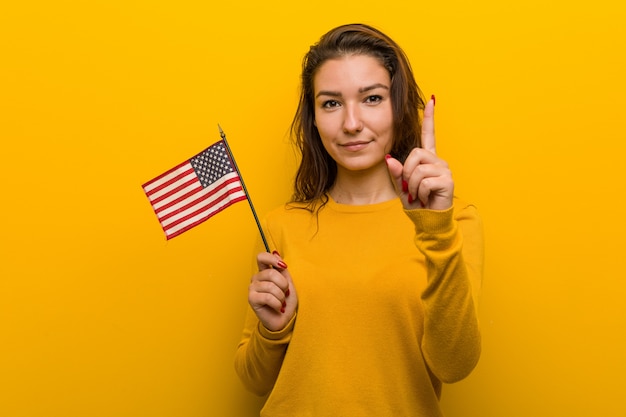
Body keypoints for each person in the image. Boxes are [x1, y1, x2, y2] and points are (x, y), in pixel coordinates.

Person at [234, 23, 483, 417]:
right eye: (331, 103)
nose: (351, 123)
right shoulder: (281, 224)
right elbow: (253, 380)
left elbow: (454, 365)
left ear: (398, 107)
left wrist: (435, 227)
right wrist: (272, 330)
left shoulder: (452, 221)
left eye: (371, 98)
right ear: (313, 118)